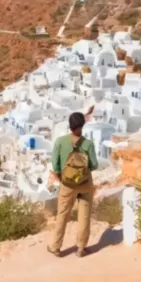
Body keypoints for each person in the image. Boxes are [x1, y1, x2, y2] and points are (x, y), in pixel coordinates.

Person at [47, 111, 98, 258]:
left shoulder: (60, 142)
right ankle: (81, 248)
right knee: (84, 215)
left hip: (68, 184)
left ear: (70, 125)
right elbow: (94, 165)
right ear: (82, 125)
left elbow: (55, 165)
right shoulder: (88, 144)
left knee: (62, 214)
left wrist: (61, 176)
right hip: (85, 184)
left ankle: (56, 247)